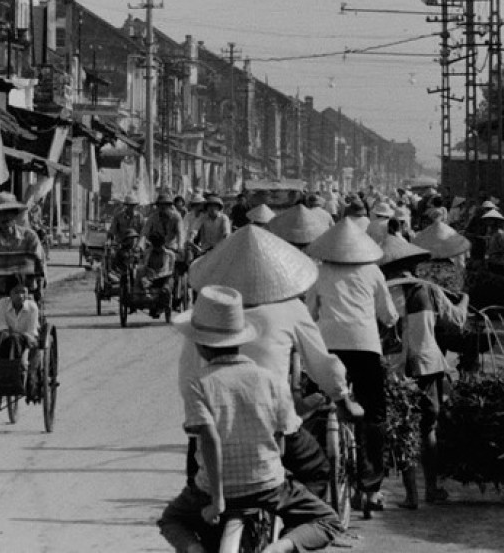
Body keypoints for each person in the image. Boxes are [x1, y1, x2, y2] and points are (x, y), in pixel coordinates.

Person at [158, 285, 342, 553]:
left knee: (171, 520)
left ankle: (196, 550)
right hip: (267, 487)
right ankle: (281, 547)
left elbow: (207, 439)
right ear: (240, 338)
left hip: (212, 489)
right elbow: (284, 434)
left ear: (199, 344)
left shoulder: (198, 384)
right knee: (328, 520)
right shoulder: (269, 380)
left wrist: (218, 499)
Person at [187, 225, 361, 500]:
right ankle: (293, 538)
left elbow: (187, 374)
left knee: (196, 496)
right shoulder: (289, 307)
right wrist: (342, 398)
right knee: (316, 472)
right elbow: (322, 365)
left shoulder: (208, 311)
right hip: (270, 424)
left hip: (211, 429)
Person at [305, 218, 398, 512]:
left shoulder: (318, 273)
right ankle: (370, 490)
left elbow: (309, 312)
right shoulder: (373, 272)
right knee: (374, 413)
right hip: (365, 347)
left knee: (317, 406)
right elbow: (389, 315)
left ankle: (316, 483)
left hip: (328, 348)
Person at [379, 234, 465, 509]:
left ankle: (410, 494)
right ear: (412, 265)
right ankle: (432, 487)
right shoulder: (429, 290)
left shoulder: (381, 293)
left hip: (395, 369)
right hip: (427, 365)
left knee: (403, 427)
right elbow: (457, 321)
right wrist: (464, 299)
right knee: (428, 427)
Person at [0, 192, 45, 269]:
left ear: (15, 214)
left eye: (8, 212)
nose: (4, 217)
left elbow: (39, 265)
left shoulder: (29, 237)